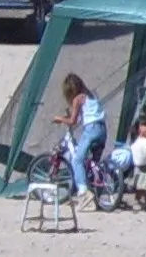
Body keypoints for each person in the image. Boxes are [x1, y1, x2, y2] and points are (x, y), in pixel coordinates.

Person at [52, 73, 107, 211]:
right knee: (92, 163)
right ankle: (95, 194)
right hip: (102, 129)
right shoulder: (91, 94)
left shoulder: (78, 99)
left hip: (91, 130)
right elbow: (85, 115)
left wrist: (60, 119)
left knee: (77, 161)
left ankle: (83, 194)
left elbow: (73, 121)